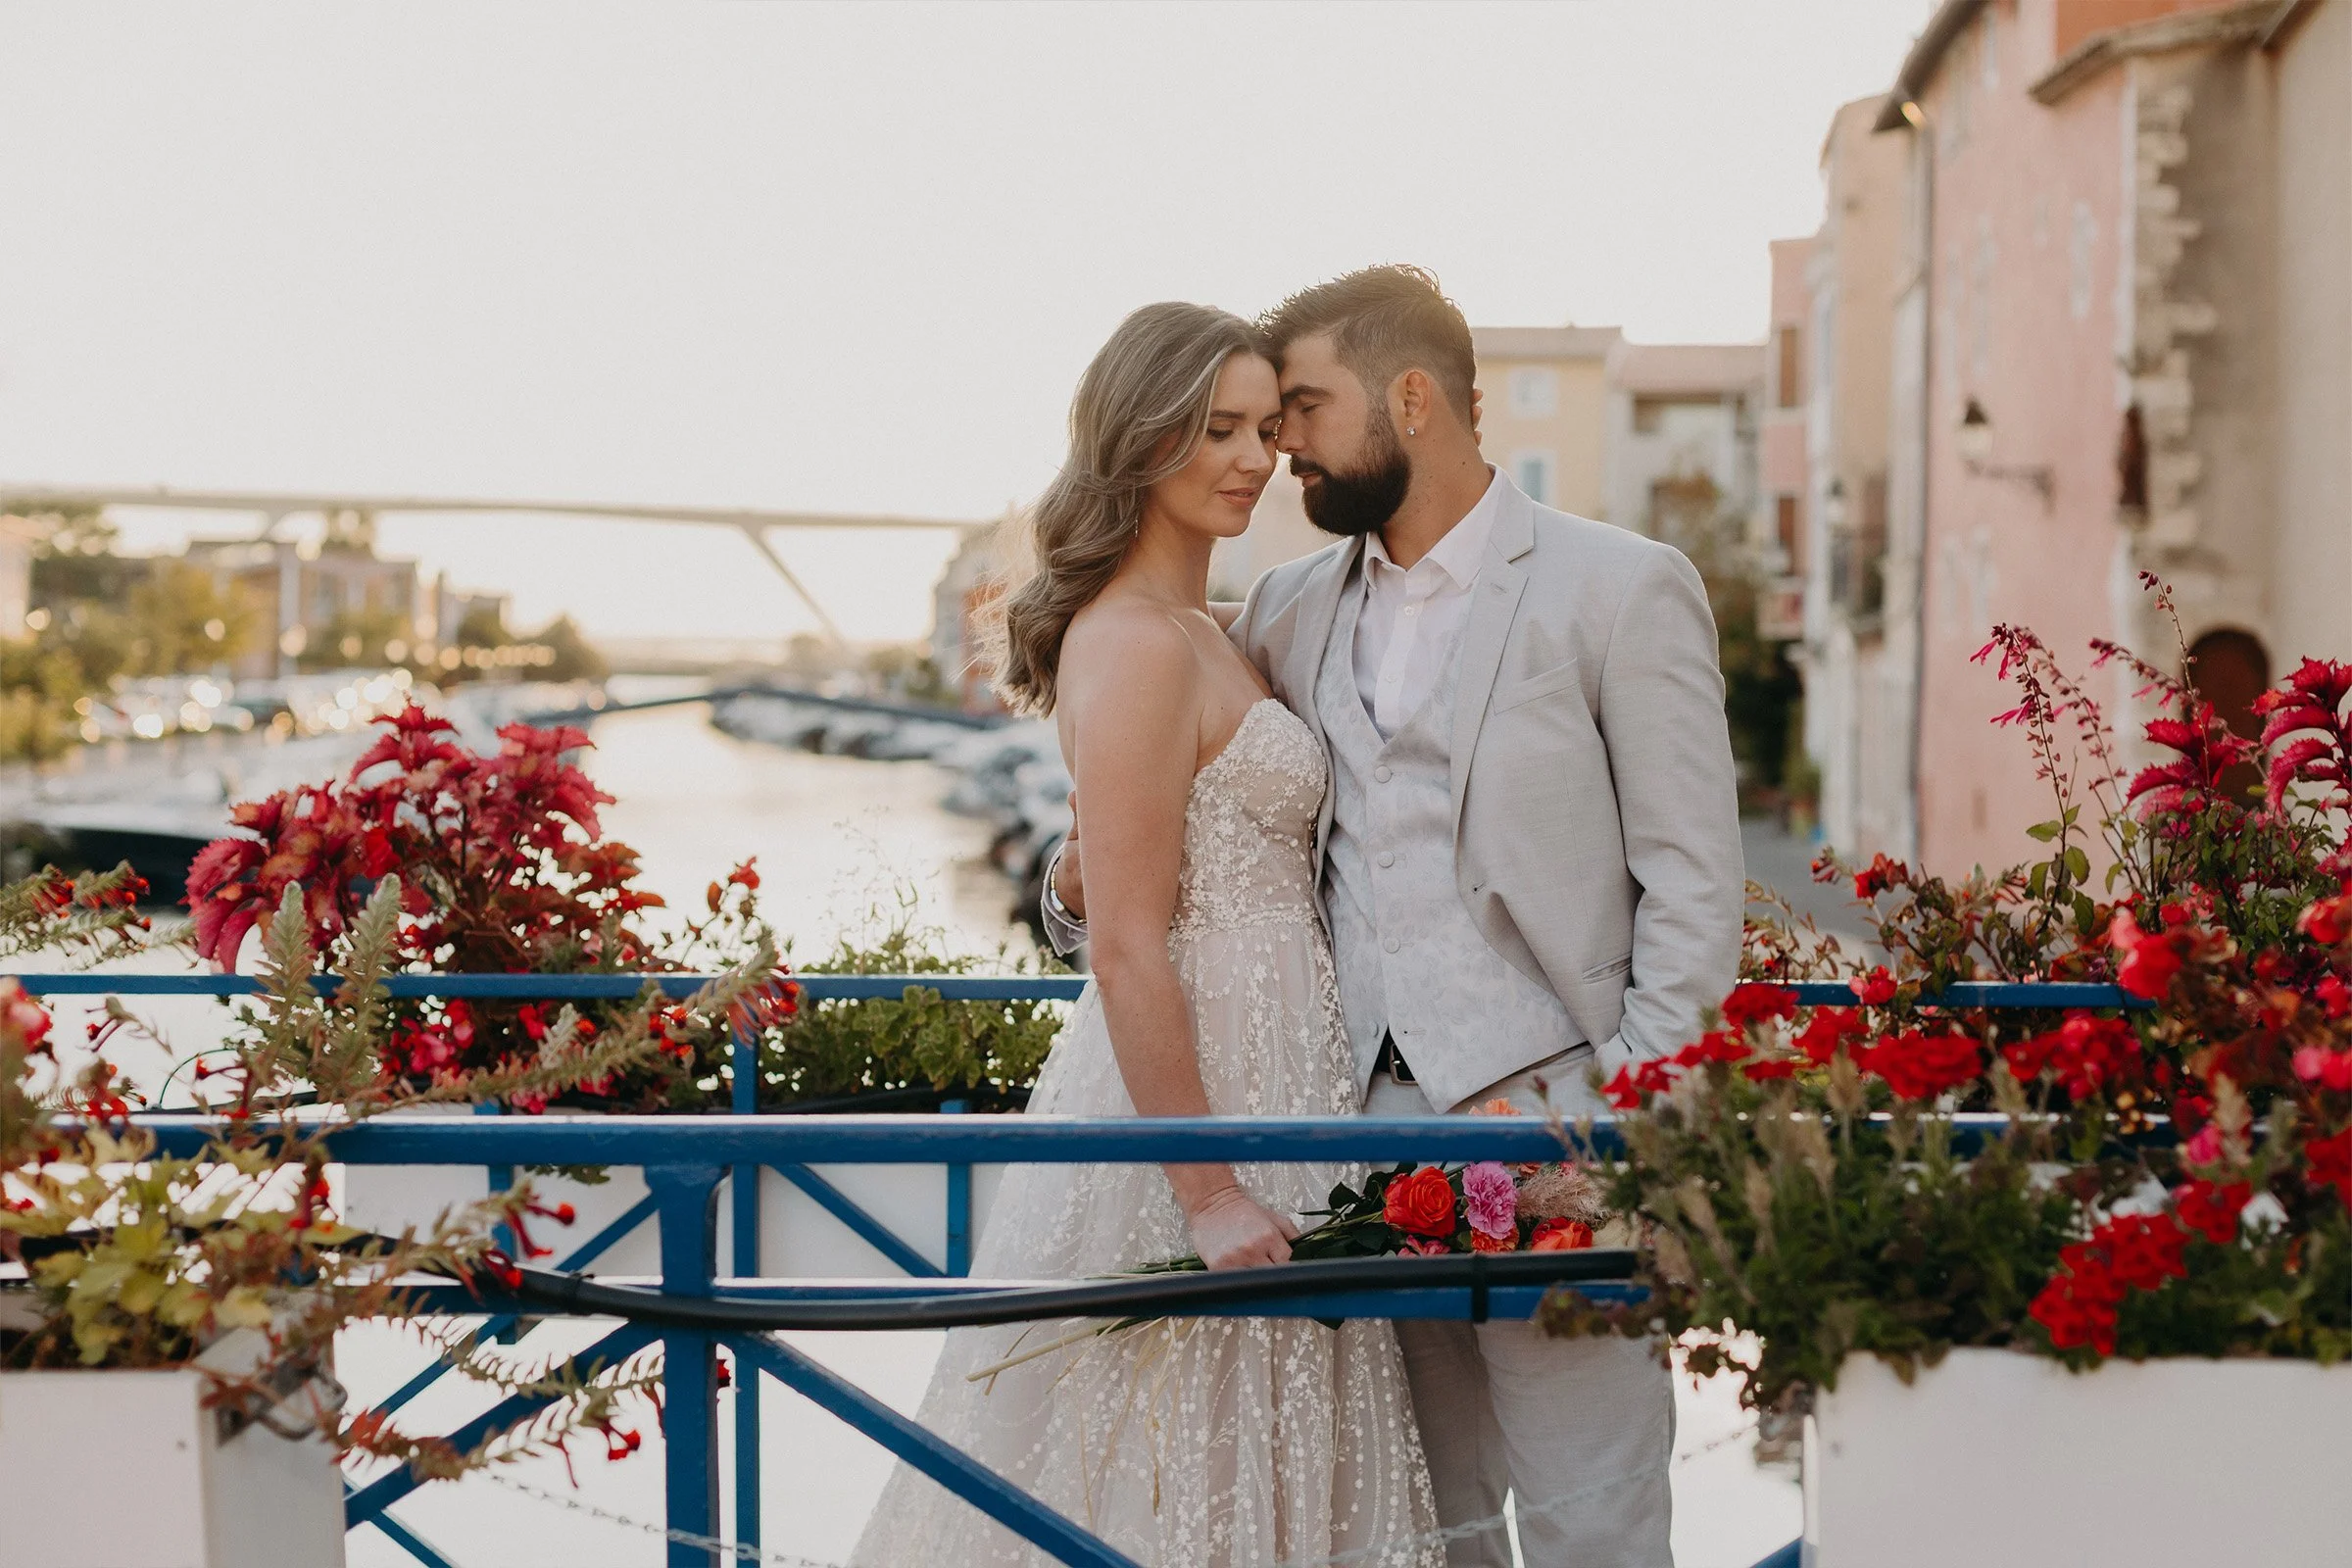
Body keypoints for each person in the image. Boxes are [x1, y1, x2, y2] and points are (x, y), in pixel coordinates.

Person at [1046, 266, 1744, 1567]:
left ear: (1411, 398)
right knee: (1427, 1523)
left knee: (1600, 1521)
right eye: (1257, 424)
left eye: (1300, 409)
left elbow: (1695, 892)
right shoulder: (1286, 611)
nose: (1281, 448)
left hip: (1564, 1135)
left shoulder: (1621, 587)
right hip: (1347, 1144)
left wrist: (1627, 1128)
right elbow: (1165, 820)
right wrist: (1073, 875)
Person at [851, 301, 1443, 1568]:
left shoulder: (1218, 631)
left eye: (1263, 428)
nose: (1251, 458)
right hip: (1200, 1091)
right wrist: (1207, 1187)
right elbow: (1122, 940)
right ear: (1139, 441)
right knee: (1153, 1451)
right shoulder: (1129, 643)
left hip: (1293, 1072)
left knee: (1264, 1436)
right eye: (1213, 430)